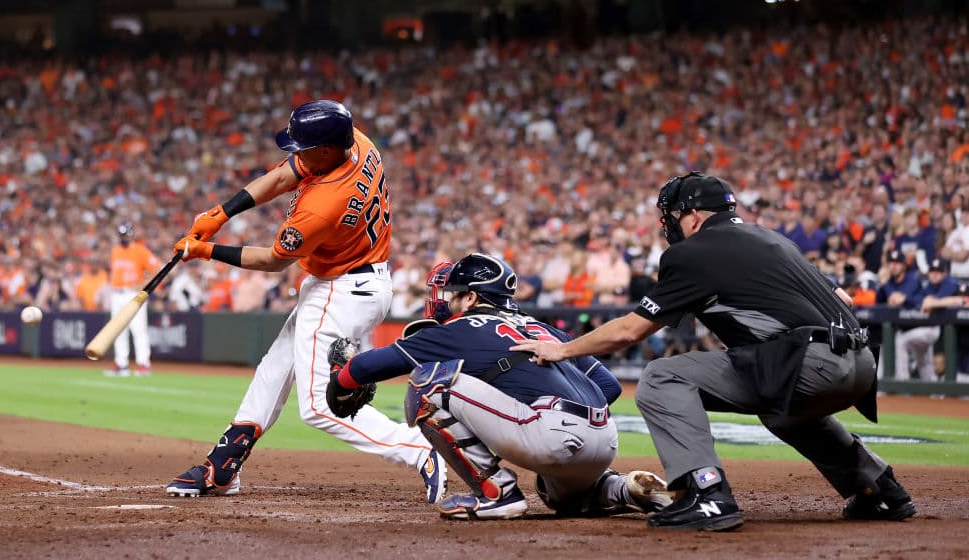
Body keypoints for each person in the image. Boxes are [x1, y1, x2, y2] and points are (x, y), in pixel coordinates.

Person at [510, 172, 915, 531]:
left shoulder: (691, 253)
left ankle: (705, 492)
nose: (668, 225)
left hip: (808, 363)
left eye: (671, 216)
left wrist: (563, 349)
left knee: (662, 376)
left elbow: (631, 330)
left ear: (693, 216)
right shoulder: (772, 238)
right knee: (783, 410)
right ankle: (878, 488)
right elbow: (843, 297)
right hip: (861, 363)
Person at [164, 99, 445, 504]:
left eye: (303, 147)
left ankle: (419, 450)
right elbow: (283, 176)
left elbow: (274, 261)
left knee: (318, 406)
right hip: (355, 280)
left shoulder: (323, 206)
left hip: (341, 290)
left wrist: (206, 251)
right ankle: (224, 464)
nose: (296, 153)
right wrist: (221, 213)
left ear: (326, 150)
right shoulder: (357, 142)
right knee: (275, 368)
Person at [329, 253, 672, 520]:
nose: (445, 301)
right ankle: (622, 488)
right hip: (604, 440)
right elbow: (609, 386)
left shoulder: (459, 329)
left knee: (427, 384)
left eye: (453, 294)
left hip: (552, 435)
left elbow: (365, 367)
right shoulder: (543, 328)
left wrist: (340, 383)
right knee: (557, 496)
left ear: (471, 298)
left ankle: (496, 493)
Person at [106, 222, 162, 377]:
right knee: (118, 330)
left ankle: (143, 364)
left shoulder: (140, 250)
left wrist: (143, 283)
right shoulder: (116, 250)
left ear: (131, 235)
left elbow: (157, 268)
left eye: (125, 235)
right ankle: (121, 364)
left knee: (138, 329)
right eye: (121, 235)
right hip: (117, 293)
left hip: (133, 293)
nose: (123, 238)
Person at [896, 258, 964, 381]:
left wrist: (932, 302)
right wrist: (906, 298)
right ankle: (928, 384)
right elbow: (918, 300)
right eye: (932, 271)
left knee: (902, 340)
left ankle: (903, 381)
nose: (935, 274)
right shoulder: (930, 286)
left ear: (945, 273)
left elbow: (957, 300)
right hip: (937, 329)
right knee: (924, 358)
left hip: (956, 332)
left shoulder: (950, 282)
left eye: (938, 271)